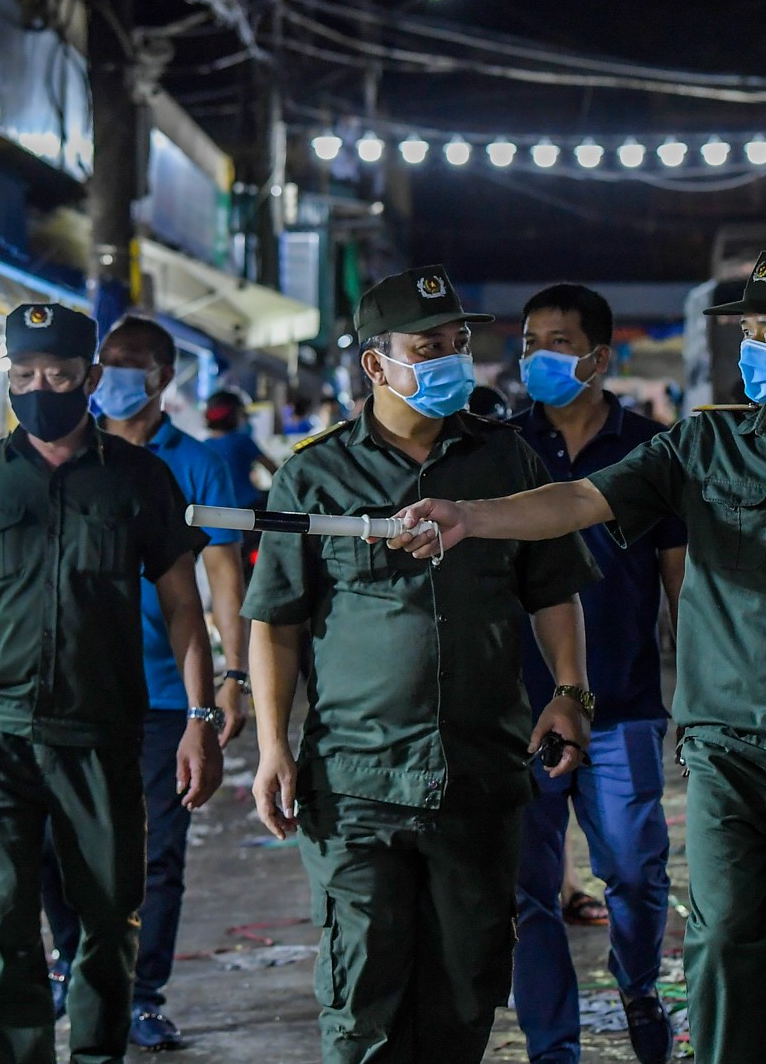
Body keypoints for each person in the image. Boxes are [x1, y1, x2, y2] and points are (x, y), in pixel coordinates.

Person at [389, 251, 766, 1064]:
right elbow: (583, 498)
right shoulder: (705, 444)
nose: (755, 351)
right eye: (748, 333)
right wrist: (471, 516)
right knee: (724, 952)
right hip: (728, 749)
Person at [242, 265, 599, 1064]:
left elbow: (553, 590)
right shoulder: (318, 474)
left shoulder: (507, 465)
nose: (450, 359)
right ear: (377, 365)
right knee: (363, 1002)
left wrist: (570, 691)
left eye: (459, 343)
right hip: (357, 782)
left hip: (478, 776)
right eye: (427, 346)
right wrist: (272, 746)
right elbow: (276, 623)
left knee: (465, 996)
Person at [0, 302, 222, 1064]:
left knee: (108, 921)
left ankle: (99, 1056)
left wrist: (201, 714)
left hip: (99, 736)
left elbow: (181, 607)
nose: (41, 387)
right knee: (4, 923)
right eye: (25, 374)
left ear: (91, 379)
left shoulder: (139, 480)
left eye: (60, 375)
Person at [41, 315, 250, 1049]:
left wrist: (233, 678)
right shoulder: (67, 455)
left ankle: (141, 991)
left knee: (156, 852)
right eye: (108, 361)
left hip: (165, 693)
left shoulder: (200, 466)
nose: (116, 374)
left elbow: (225, 578)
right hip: (70, 689)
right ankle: (77, 965)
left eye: (132, 363)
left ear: (163, 378)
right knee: (54, 840)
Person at [511, 284, 686, 1064]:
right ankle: (554, 1047)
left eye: (556, 341)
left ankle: (639, 986)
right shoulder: (503, 450)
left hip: (624, 704)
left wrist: (705, 702)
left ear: (599, 356)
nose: (537, 357)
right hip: (518, 709)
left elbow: (682, 581)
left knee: (634, 871)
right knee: (527, 892)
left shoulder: (654, 452)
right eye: (528, 343)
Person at [203, 390, 277, 508]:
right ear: (234, 415)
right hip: (248, 509)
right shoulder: (242, 441)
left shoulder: (205, 446)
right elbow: (274, 470)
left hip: (217, 510)